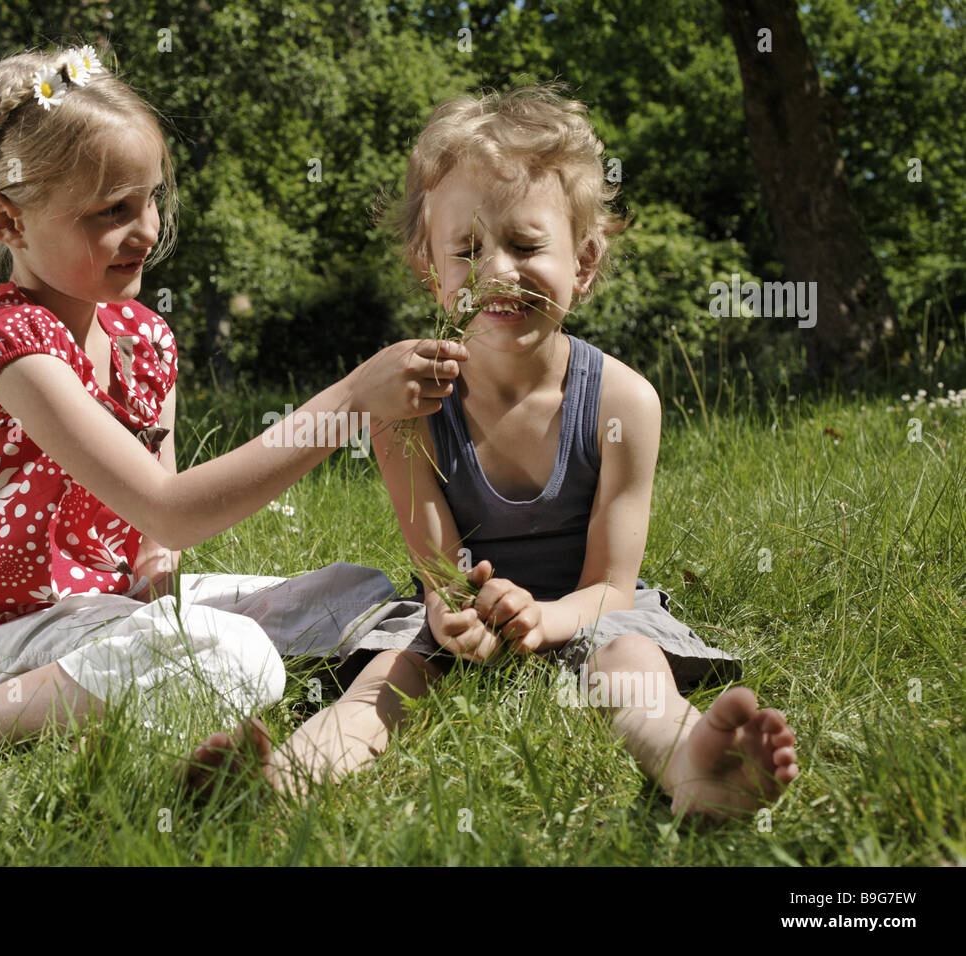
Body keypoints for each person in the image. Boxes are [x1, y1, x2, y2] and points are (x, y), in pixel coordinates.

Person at [0, 42, 466, 775]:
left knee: (358, 594)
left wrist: (159, 580)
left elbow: (158, 540)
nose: (146, 227)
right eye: (110, 210)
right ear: (6, 222)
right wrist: (347, 400)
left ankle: (151, 701)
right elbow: (170, 507)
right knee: (230, 651)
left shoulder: (144, 340)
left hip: (99, 614)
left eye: (150, 196)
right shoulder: (8, 348)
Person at [186, 84, 799, 821]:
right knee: (390, 675)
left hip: (585, 609)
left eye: (526, 244)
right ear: (428, 266)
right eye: (468, 249)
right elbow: (440, 574)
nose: (498, 271)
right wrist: (453, 616)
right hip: (457, 618)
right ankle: (282, 780)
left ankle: (691, 763)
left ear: (587, 261)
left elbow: (611, 584)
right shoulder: (407, 407)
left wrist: (542, 618)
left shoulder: (622, 402)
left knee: (631, 663)